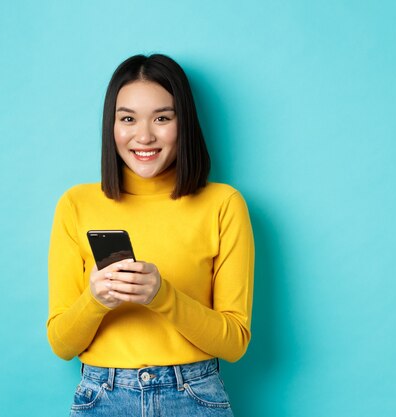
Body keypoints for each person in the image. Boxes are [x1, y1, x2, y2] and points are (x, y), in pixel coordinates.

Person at [47, 54, 254, 417]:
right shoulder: (75, 204)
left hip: (194, 396)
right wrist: (95, 298)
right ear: (111, 126)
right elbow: (62, 344)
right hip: (102, 397)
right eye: (127, 118)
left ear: (183, 123)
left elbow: (235, 343)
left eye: (162, 118)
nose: (144, 136)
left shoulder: (223, 204)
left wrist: (162, 296)